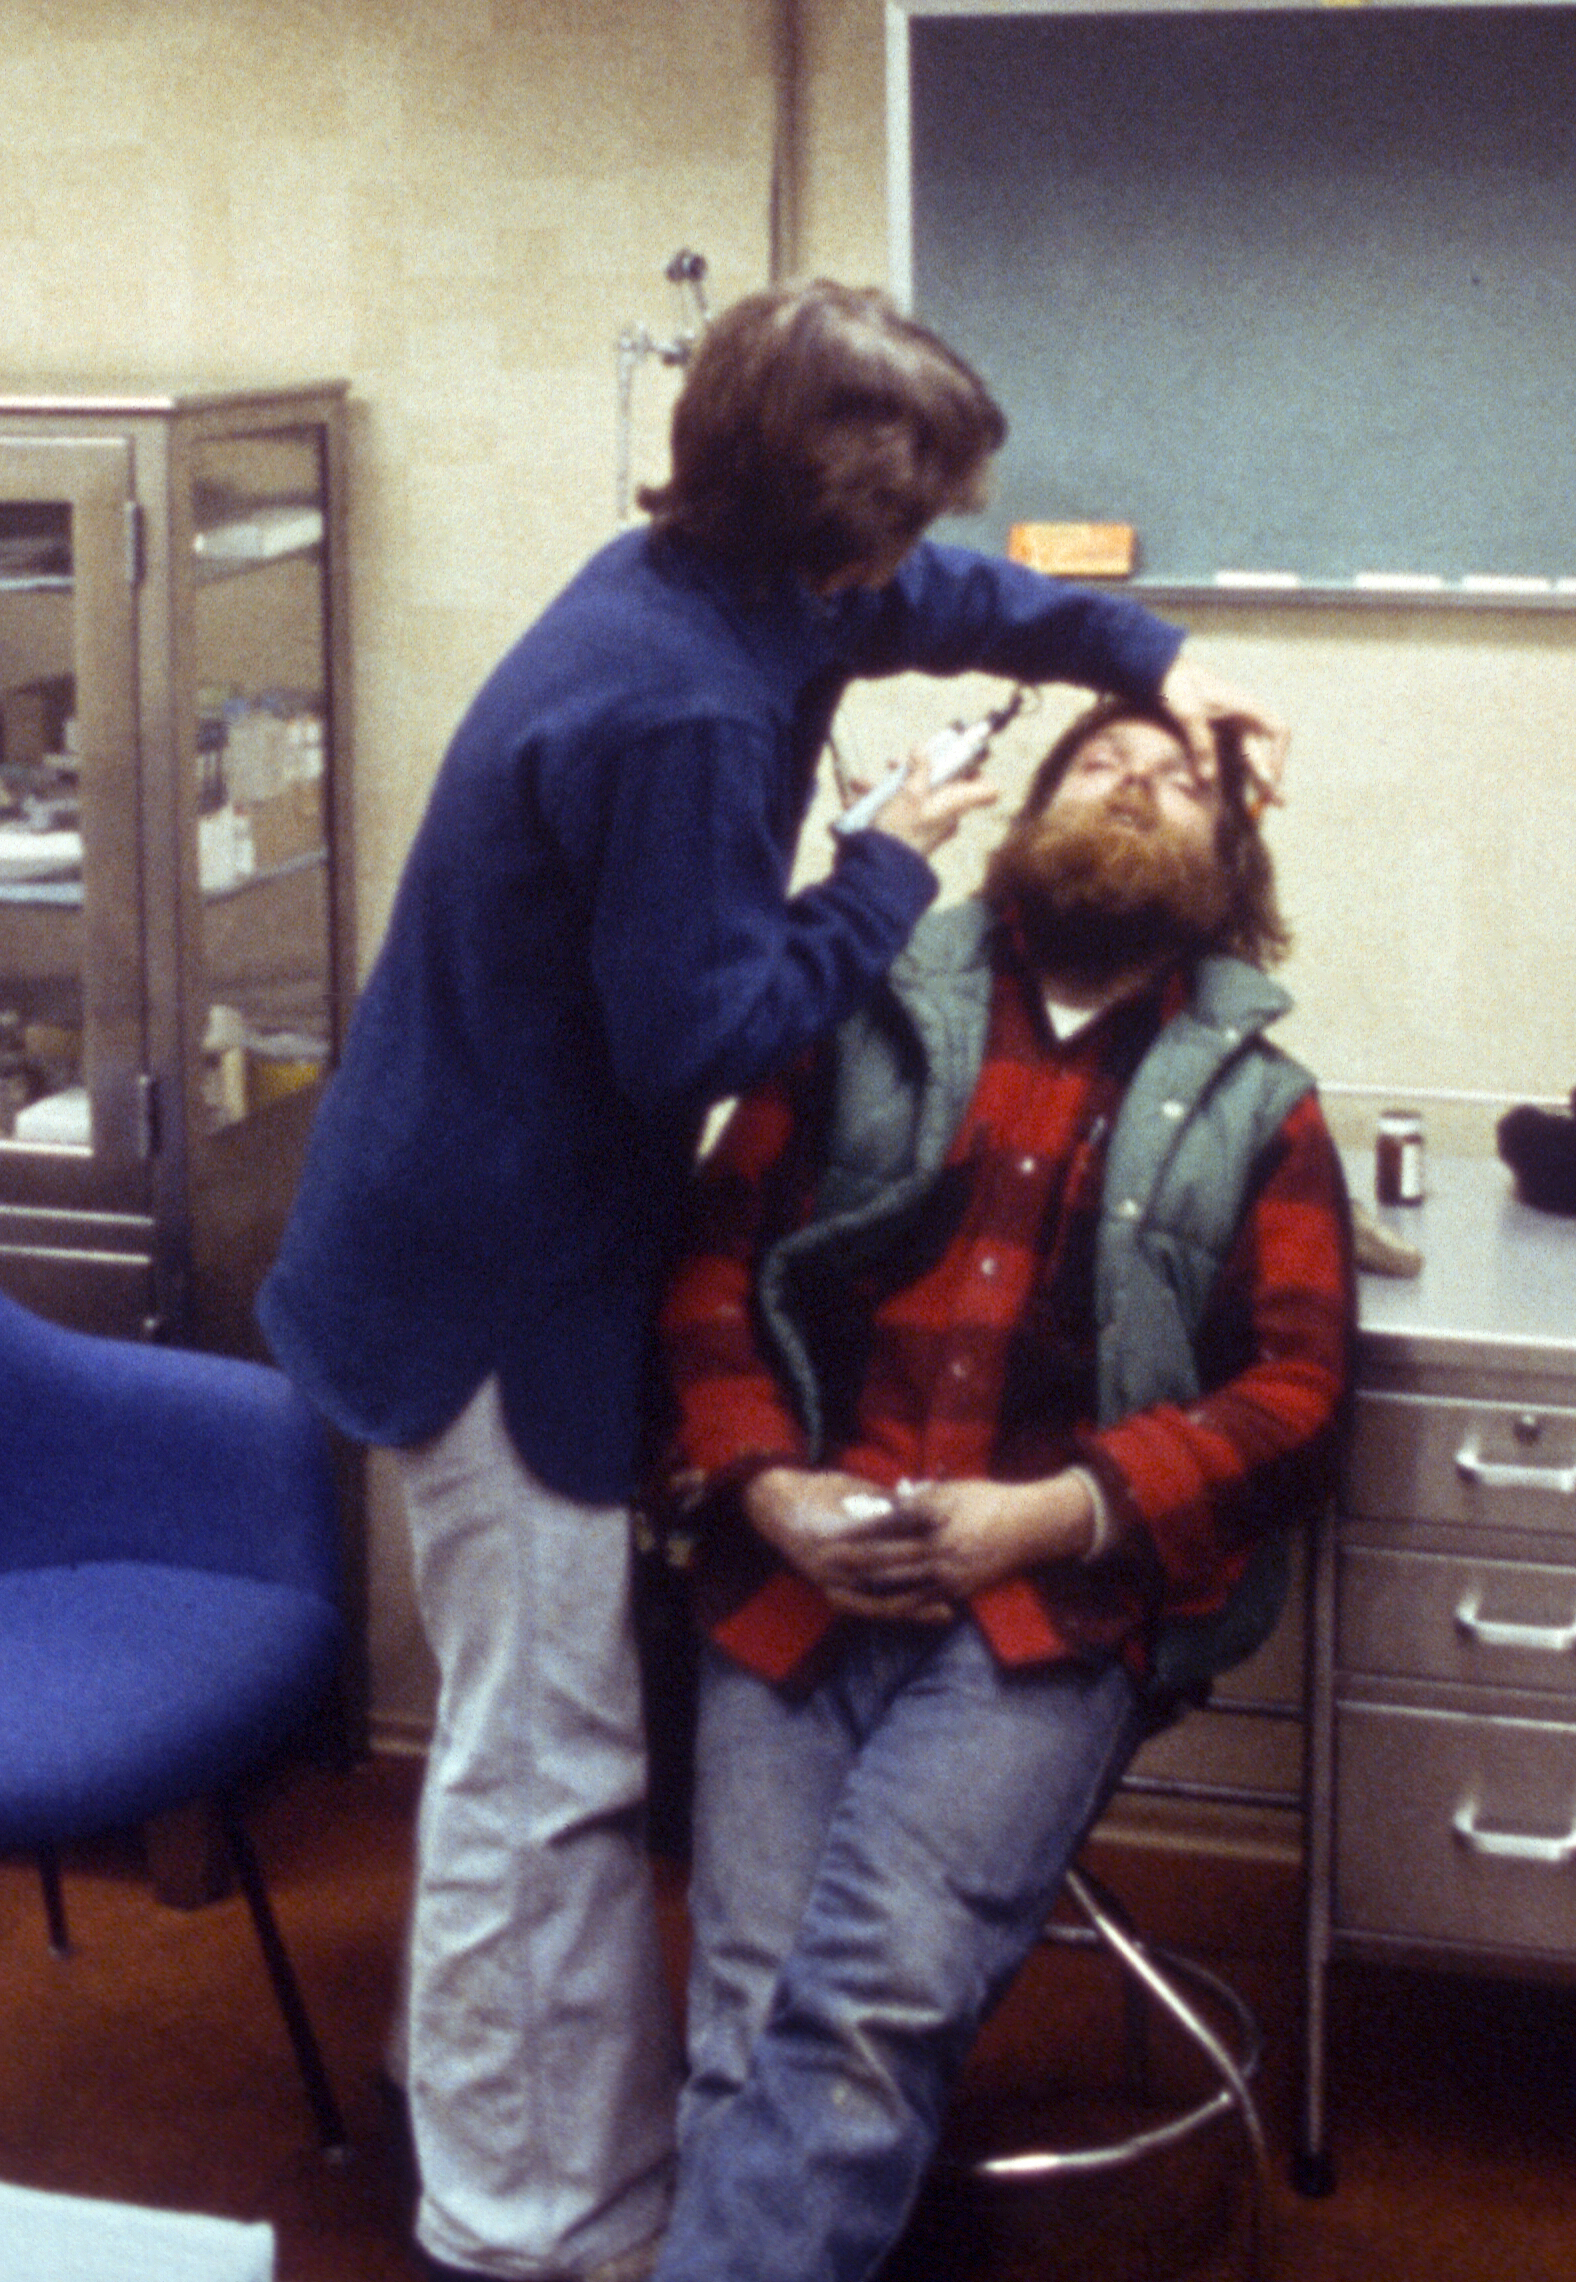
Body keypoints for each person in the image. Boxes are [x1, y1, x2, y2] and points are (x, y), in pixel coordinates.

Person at [259, 281, 1284, 2282]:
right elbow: (700, 1036)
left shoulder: (708, 584)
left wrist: (1167, 658)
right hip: (490, 1278)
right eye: (897, 530)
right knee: (543, 1760)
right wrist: (893, 854)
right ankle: (523, 2223)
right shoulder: (680, 702)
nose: (911, 571)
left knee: (519, 1735)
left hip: (467, 1216)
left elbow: (965, 607)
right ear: (822, 513)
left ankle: (492, 2102)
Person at [644, 692, 1351, 2282]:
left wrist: (1057, 1508)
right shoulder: (853, 1009)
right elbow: (707, 1263)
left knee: (865, 2002)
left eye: (1175, 785)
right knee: (745, 2010)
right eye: (1096, 761)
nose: (1130, 785)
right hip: (793, 1576)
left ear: (1227, 858)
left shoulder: (1261, 1103)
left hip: (1042, 1611)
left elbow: (1299, 1401)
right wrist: (763, 1486)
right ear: (1026, 812)